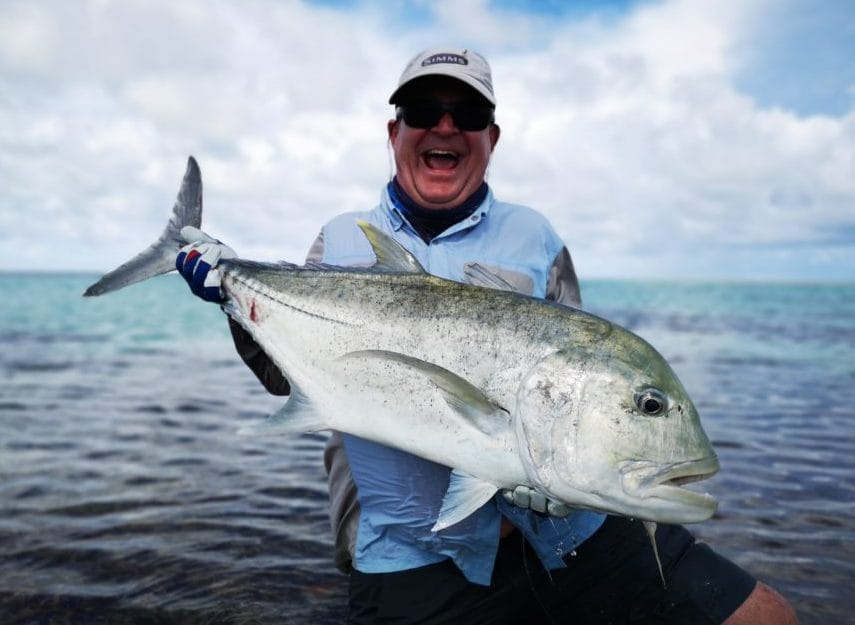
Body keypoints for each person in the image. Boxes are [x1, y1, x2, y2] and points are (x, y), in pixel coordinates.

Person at [176, 47, 799, 625]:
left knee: (766, 616)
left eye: (467, 112)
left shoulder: (537, 238)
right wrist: (233, 297)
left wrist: (547, 464)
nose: (445, 127)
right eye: (423, 111)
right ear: (394, 133)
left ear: (491, 137)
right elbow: (285, 373)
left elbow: (575, 370)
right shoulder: (339, 239)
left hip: (566, 532)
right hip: (410, 553)